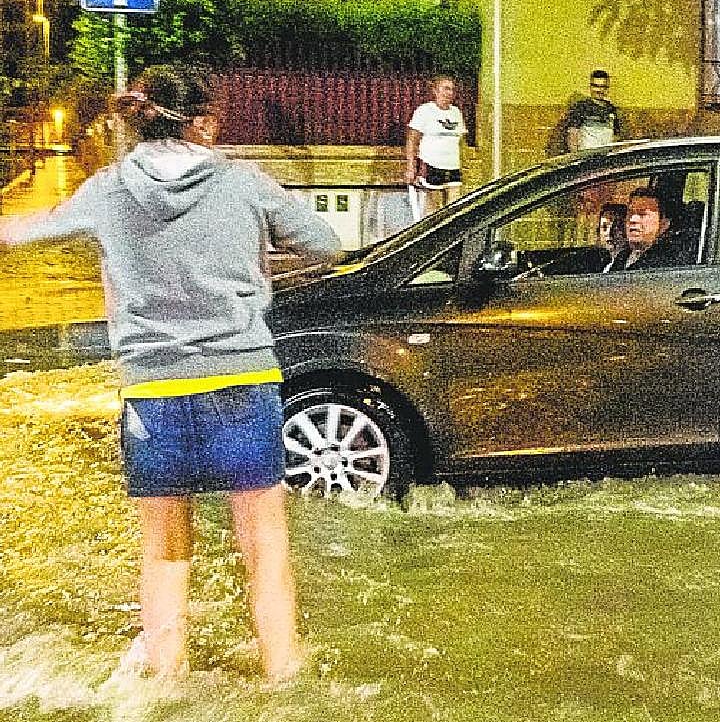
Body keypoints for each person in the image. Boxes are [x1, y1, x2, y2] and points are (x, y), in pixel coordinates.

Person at [0, 65, 342, 683]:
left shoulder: (107, 190)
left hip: (154, 390)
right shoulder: (243, 183)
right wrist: (256, 252)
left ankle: (166, 676)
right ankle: (283, 671)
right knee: (264, 542)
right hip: (242, 381)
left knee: (162, 550)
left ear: (136, 121)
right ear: (202, 122)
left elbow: (25, 230)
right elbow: (325, 243)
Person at [405, 75, 465, 207]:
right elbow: (412, 140)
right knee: (434, 208)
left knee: (455, 207)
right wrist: (411, 167)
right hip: (432, 166)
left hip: (453, 167)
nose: (449, 93)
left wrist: (463, 164)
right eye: (446, 89)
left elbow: (460, 142)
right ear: (436, 91)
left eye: (452, 90)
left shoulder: (456, 112)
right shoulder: (425, 111)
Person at [608, 187, 693, 270]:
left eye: (643, 214)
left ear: (664, 224)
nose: (633, 220)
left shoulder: (667, 262)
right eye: (630, 213)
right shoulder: (622, 257)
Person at [566, 69, 624, 152]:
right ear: (590, 87)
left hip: (606, 159)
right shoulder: (581, 107)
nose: (599, 90)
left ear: (607, 88)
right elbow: (573, 136)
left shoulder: (612, 110)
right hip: (586, 158)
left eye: (603, 87)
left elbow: (616, 138)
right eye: (596, 86)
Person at [597, 202, 628, 272]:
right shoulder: (605, 264)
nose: (609, 233)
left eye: (617, 227)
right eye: (604, 227)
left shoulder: (626, 264)